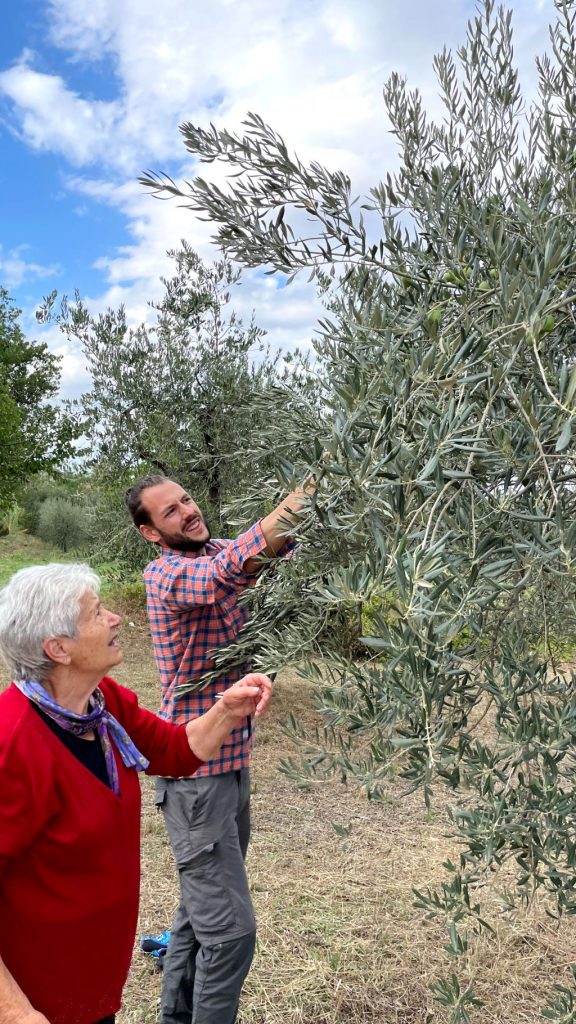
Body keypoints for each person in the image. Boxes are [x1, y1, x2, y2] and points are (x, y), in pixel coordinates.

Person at [0, 562, 272, 1024]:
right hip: (37, 998)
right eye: (97, 612)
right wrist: (16, 1013)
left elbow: (174, 751)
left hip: (92, 979)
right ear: (58, 648)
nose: (115, 618)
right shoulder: (12, 744)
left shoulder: (101, 704)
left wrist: (227, 710)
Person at [125, 474, 309, 1024]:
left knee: (195, 917)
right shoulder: (167, 575)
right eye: (170, 511)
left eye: (185, 500)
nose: (187, 511)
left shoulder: (219, 550)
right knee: (229, 936)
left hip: (230, 768)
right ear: (149, 533)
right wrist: (309, 492)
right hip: (195, 782)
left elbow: (272, 554)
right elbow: (229, 571)